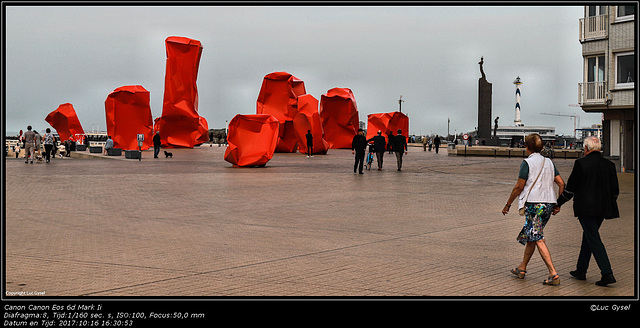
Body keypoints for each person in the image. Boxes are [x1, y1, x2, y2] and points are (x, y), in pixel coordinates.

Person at [554, 136, 619, 286]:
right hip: (603, 209)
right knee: (589, 236)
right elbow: (615, 191)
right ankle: (581, 270)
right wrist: (608, 203)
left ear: (586, 149)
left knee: (593, 238)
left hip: (585, 208)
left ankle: (607, 273)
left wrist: (558, 204)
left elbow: (570, 189)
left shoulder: (581, 164)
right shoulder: (609, 165)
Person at [502, 133, 565, 286]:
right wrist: (558, 204)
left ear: (527, 147)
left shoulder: (527, 163)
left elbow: (519, 187)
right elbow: (561, 184)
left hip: (534, 205)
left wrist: (508, 204)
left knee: (538, 237)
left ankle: (553, 274)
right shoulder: (549, 162)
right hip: (548, 205)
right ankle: (522, 268)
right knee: (533, 234)